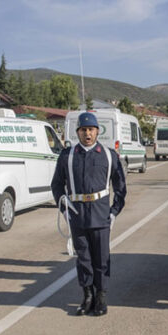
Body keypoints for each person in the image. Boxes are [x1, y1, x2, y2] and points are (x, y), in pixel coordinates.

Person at [51, 112, 127, 316]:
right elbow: (57, 184)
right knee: (83, 258)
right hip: (78, 215)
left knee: (101, 258)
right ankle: (87, 296)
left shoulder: (109, 155)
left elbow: (120, 185)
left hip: (101, 214)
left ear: (97, 132)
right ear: (77, 132)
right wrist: (65, 209)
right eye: (83, 130)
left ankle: (101, 296)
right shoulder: (68, 156)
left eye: (91, 130)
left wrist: (114, 211)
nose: (87, 133)